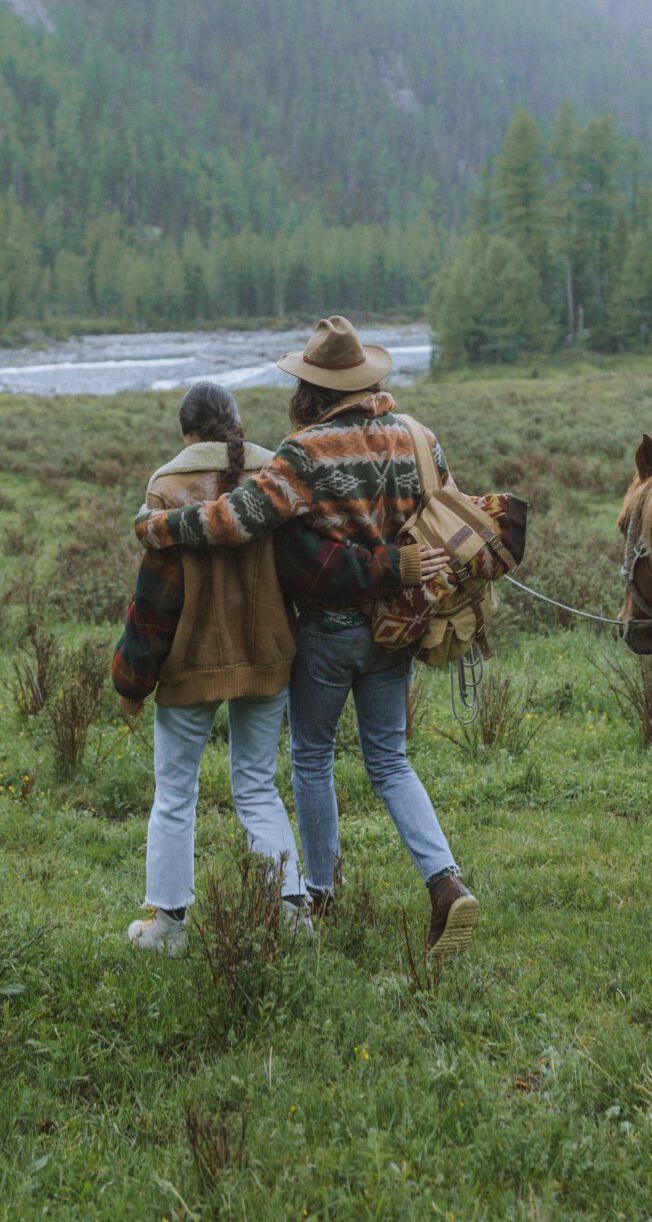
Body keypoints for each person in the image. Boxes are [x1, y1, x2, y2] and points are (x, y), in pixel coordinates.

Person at [133, 318, 504, 959]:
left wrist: (161, 525)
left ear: (311, 387)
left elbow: (237, 520)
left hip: (330, 631)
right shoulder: (418, 436)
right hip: (400, 626)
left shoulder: (304, 453)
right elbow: (445, 510)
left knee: (311, 757)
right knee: (390, 762)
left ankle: (319, 895)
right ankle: (446, 884)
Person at [110, 382, 422, 957]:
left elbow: (156, 600)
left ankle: (169, 927)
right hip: (270, 653)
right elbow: (304, 565)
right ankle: (292, 911)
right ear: (234, 422)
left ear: (187, 433)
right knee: (257, 786)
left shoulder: (167, 484)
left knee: (175, 792)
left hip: (191, 662)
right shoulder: (274, 470)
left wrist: (131, 678)